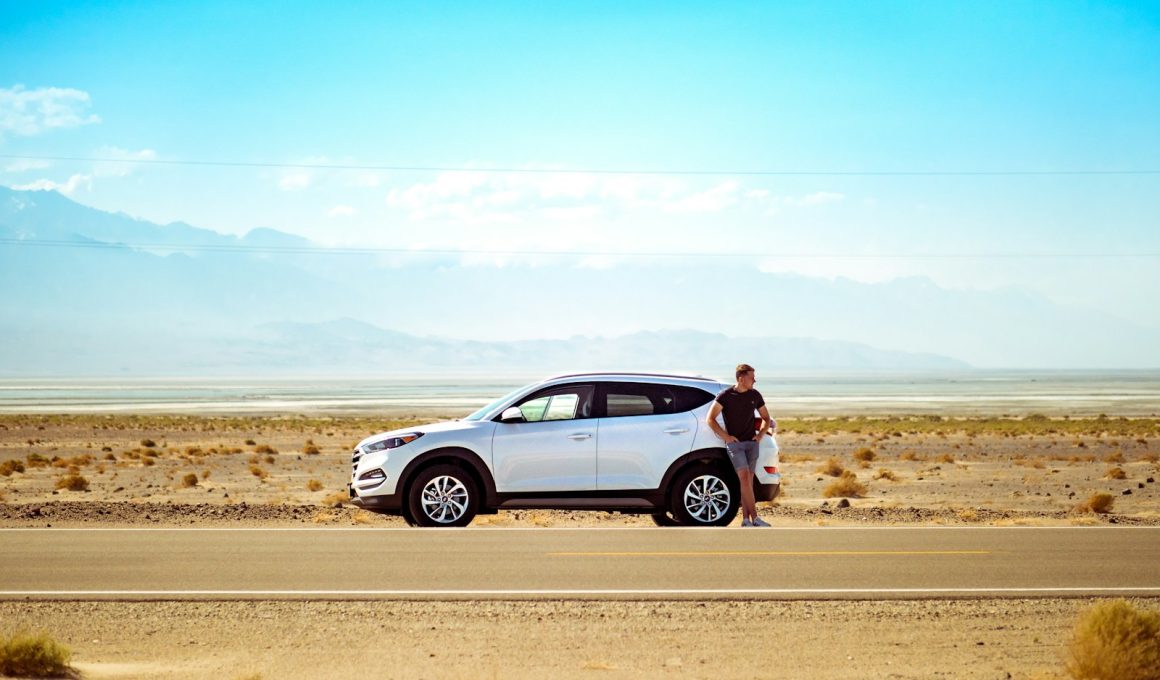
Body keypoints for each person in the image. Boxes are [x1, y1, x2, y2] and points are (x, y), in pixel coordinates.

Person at [706, 363, 775, 527]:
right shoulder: (725, 396)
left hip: (752, 444)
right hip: (735, 446)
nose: (754, 381)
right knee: (744, 479)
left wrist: (760, 435)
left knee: (748, 483)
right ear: (741, 378)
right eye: (752, 378)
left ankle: (746, 520)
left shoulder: (755, 395)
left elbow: (766, 418)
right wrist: (726, 437)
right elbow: (710, 418)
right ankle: (756, 518)